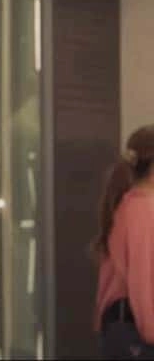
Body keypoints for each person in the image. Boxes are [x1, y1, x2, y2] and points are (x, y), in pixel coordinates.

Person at [94, 125, 154, 359]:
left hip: (125, 329)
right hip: (136, 334)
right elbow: (143, 280)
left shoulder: (131, 206)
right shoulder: (141, 209)